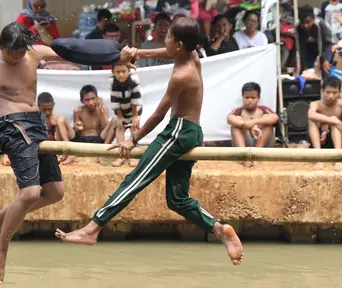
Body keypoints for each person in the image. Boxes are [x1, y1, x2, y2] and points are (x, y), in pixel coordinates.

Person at [55, 17, 244, 266]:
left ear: (177, 43)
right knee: (176, 199)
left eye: (167, 37)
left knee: (135, 179)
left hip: (177, 131)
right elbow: (168, 51)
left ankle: (92, 228)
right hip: (191, 131)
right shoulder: (191, 55)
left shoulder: (182, 74)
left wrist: (133, 139)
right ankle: (219, 230)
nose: (163, 40)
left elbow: (158, 113)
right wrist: (138, 53)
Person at [0, 22, 66, 283]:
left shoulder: (35, 53)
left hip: (36, 122)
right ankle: (2, 249)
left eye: (19, 52)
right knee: (29, 193)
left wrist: (123, 56)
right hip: (10, 124)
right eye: (10, 53)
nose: (15, 58)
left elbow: (71, 53)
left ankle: (2, 219)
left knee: (55, 193)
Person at [56, 85, 117, 165]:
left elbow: (105, 128)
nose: (91, 102)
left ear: (97, 98)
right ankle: (68, 152)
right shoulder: (78, 111)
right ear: (82, 101)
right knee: (60, 119)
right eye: (87, 100)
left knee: (116, 120)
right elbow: (76, 129)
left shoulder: (103, 108)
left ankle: (103, 153)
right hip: (81, 140)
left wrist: (101, 111)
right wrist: (77, 127)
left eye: (93, 99)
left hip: (99, 140)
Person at [227, 82, 278, 167]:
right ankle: (245, 157)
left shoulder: (263, 109)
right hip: (245, 144)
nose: (249, 100)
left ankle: (256, 156)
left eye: (253, 97)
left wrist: (254, 122)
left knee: (267, 121)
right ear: (243, 97)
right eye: (247, 97)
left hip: (262, 144)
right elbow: (230, 118)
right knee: (236, 123)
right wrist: (246, 125)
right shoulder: (239, 110)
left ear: (258, 98)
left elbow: (275, 117)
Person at [308, 76, 342, 171]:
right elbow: (311, 114)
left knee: (335, 123)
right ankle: (319, 158)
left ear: (340, 92)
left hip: (337, 141)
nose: (331, 96)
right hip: (319, 142)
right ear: (322, 91)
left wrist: (331, 124)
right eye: (328, 92)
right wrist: (332, 121)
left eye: (334, 92)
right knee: (312, 120)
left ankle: (338, 159)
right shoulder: (315, 104)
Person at [109, 63, 142, 167]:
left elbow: (135, 98)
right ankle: (121, 156)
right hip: (121, 111)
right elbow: (114, 99)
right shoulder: (112, 82)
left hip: (134, 110)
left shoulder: (134, 80)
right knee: (119, 128)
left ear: (129, 71)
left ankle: (133, 156)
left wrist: (135, 115)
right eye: (118, 72)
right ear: (113, 72)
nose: (121, 75)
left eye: (124, 71)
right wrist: (119, 116)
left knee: (134, 130)